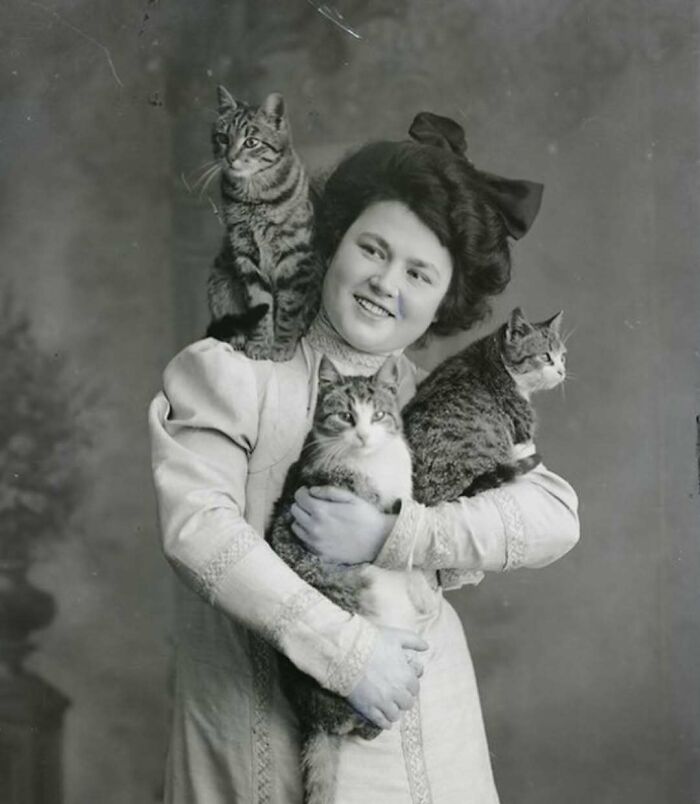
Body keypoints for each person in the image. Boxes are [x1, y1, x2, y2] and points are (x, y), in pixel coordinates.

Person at [148, 114, 580, 803]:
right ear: (332, 243)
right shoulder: (234, 371)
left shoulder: (435, 399)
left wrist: (396, 534)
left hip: (431, 731)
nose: (385, 282)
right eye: (372, 249)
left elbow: (554, 513)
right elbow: (198, 531)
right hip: (259, 744)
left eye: (419, 273)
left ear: (444, 301)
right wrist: (349, 656)